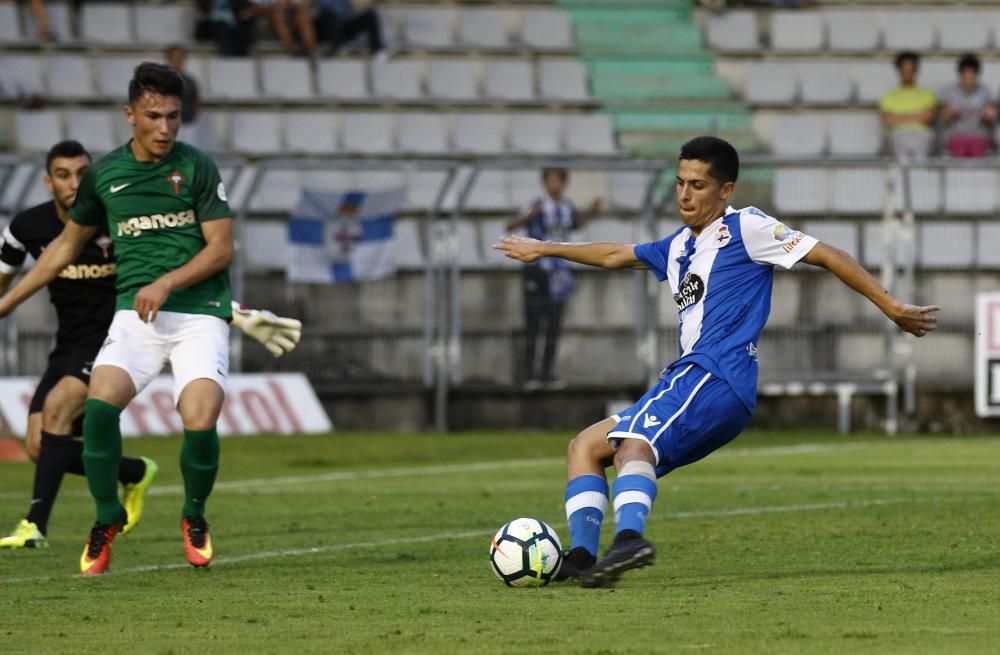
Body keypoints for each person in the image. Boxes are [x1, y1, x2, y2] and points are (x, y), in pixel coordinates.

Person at [494, 136, 940, 588]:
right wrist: (545, 247)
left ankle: (629, 539)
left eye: (699, 185)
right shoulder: (677, 247)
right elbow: (614, 254)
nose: (686, 194)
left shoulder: (747, 227)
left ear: (726, 190)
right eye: (681, 183)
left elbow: (827, 254)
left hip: (715, 375)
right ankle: (586, 556)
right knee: (584, 448)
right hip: (691, 378)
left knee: (634, 446)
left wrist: (890, 306)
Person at [0, 62, 297, 575]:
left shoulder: (198, 166)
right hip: (136, 320)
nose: (165, 129)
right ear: (130, 114)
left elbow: (221, 250)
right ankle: (105, 518)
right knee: (96, 411)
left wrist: (165, 283)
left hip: (198, 314)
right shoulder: (105, 175)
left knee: (200, 418)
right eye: (154, 116)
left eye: (174, 118)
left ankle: (194, 516)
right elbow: (61, 251)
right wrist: (5, 303)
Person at [0, 141, 155, 549]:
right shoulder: (25, 229)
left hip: (115, 340)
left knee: (57, 410)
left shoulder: (120, 219)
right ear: (48, 181)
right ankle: (134, 471)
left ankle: (34, 526)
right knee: (39, 445)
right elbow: (4, 278)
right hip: (67, 344)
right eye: (64, 175)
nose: (74, 183)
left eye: (82, 173)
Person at [504, 168, 602, 390]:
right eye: (550, 181)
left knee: (554, 325)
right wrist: (529, 216)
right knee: (533, 323)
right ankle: (529, 374)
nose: (554, 185)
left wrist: (592, 212)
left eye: (557, 181)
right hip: (537, 270)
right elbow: (510, 225)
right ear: (544, 183)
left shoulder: (566, 207)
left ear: (564, 183)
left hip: (559, 272)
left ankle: (547, 373)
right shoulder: (536, 205)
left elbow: (576, 224)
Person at [880, 51, 937, 161]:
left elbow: (928, 118)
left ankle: (919, 175)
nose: (908, 74)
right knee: (901, 156)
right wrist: (916, 116)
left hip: (921, 134)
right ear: (899, 71)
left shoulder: (927, 94)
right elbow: (887, 120)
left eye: (911, 71)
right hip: (898, 134)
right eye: (905, 71)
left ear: (916, 71)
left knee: (922, 154)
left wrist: (900, 117)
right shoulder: (888, 96)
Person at [940, 53, 996, 158]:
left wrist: (988, 116)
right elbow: (944, 119)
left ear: (977, 75)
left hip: (978, 136)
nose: (969, 78)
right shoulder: (949, 92)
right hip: (956, 136)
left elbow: (990, 120)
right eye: (966, 74)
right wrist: (948, 114)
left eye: (972, 74)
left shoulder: (985, 92)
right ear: (961, 74)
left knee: (979, 152)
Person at [314, 0, 386, 58]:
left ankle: (378, 51)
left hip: (342, 30)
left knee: (370, 15)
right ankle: (338, 49)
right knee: (329, 16)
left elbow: (348, 16)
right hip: (326, 31)